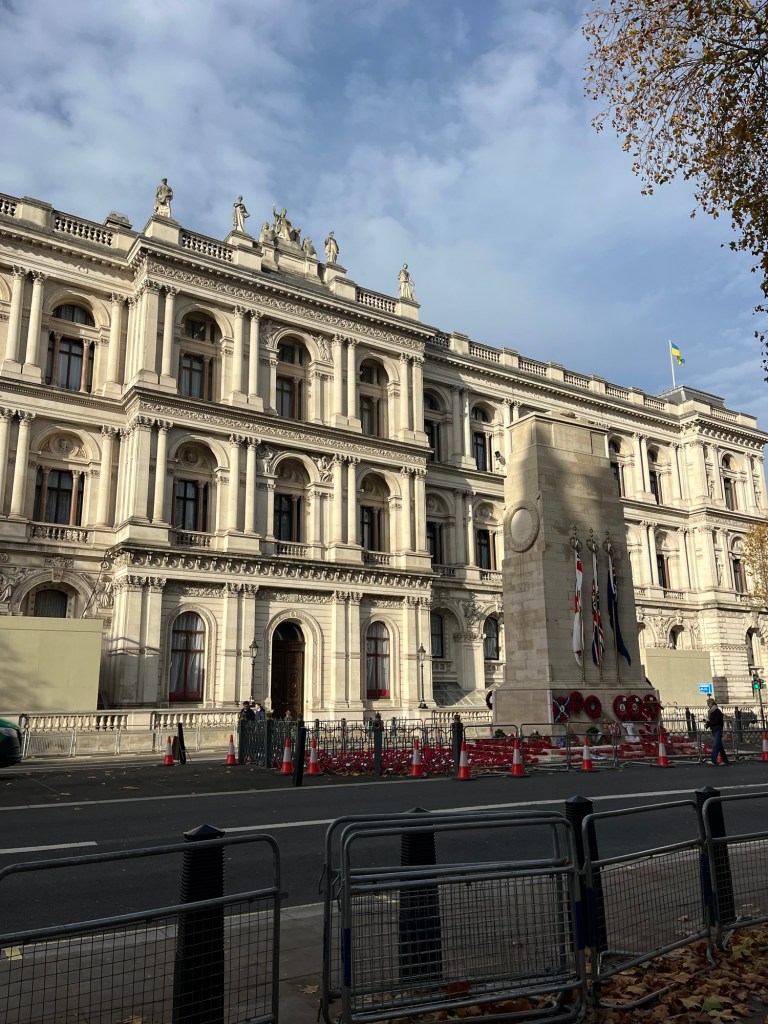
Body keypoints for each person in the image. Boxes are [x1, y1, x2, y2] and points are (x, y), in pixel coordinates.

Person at [705, 697, 729, 765]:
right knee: (719, 746)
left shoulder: (716, 711)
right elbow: (712, 721)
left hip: (717, 729)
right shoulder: (711, 711)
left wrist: (708, 723)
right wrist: (707, 724)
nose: (708, 705)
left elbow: (715, 721)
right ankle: (726, 761)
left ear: (711, 703)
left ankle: (713, 760)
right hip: (715, 729)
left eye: (708, 703)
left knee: (716, 745)